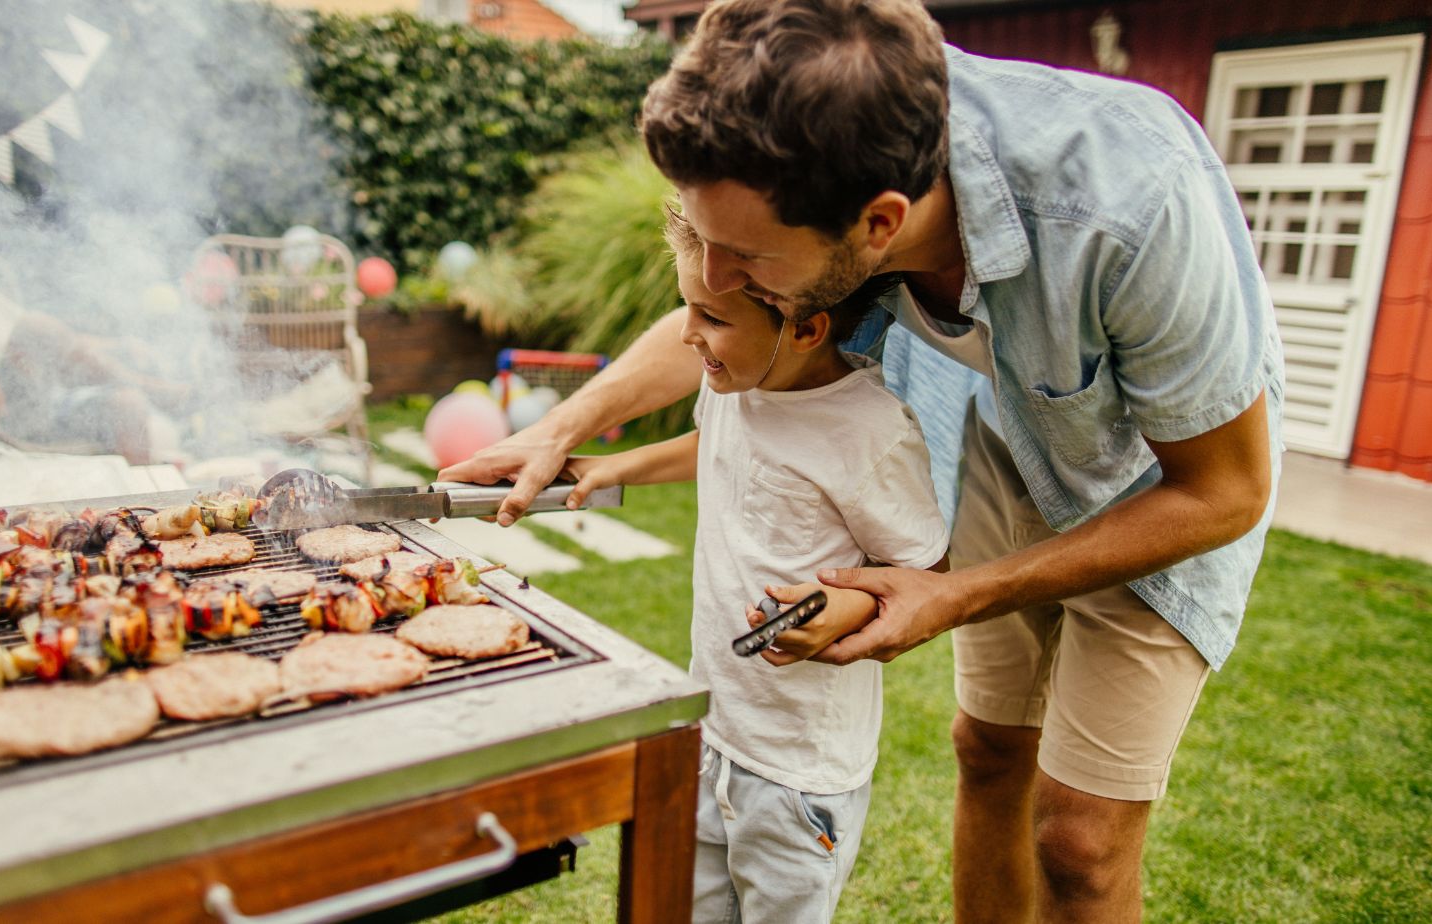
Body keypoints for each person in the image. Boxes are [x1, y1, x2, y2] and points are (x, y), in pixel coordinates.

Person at [440, 0, 1285, 920]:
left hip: (1158, 481)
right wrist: (565, 426)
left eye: (748, 259)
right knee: (988, 751)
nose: (712, 278)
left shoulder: (1128, 202)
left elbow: (1225, 489)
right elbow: (729, 322)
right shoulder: (829, 145)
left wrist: (957, 592)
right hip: (999, 435)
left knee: (1078, 840)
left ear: (880, 225)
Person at [561, 208, 948, 923]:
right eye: (688, 307)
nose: (687, 334)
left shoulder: (870, 435)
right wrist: (611, 466)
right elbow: (712, 450)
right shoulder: (736, 383)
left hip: (798, 770)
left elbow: (926, 571)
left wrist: (845, 611)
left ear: (805, 328)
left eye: (711, 316)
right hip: (713, 730)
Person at [0, 213, 183, 464]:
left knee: (127, 403)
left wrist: (120, 344)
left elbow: (65, 343)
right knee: (35, 326)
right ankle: (150, 388)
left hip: (36, 407)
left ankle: (145, 511)